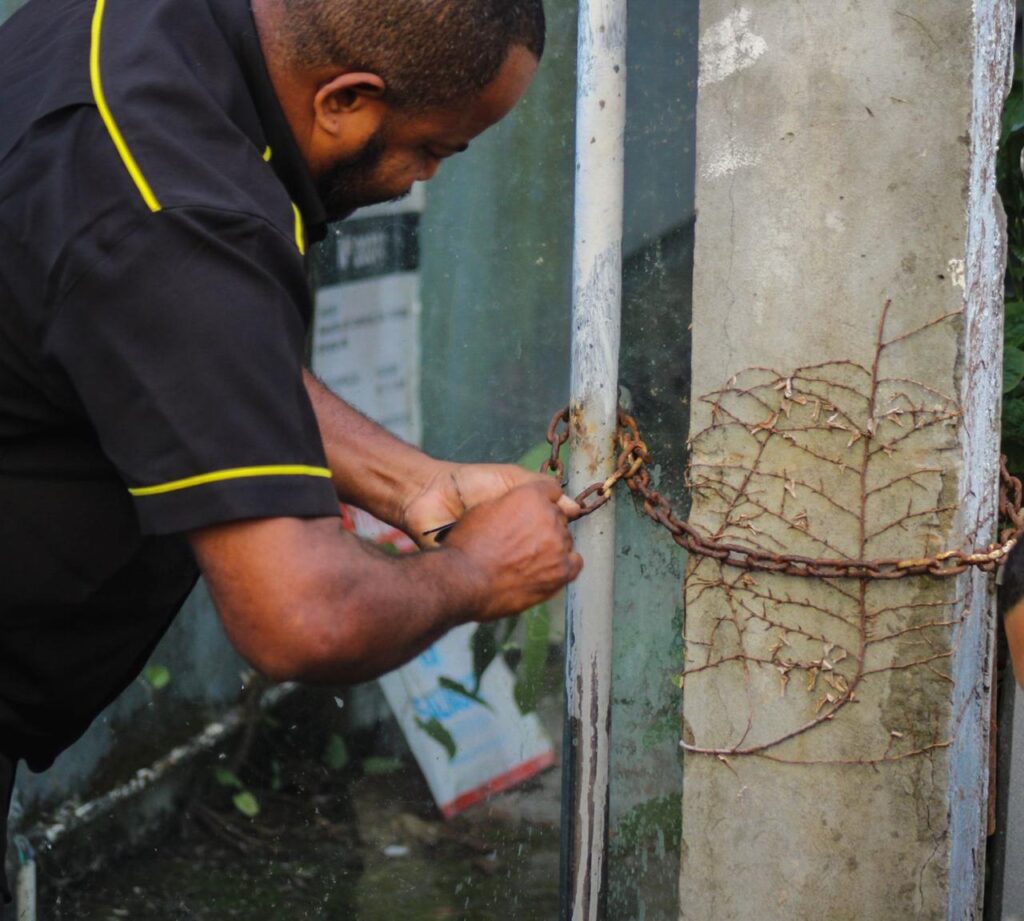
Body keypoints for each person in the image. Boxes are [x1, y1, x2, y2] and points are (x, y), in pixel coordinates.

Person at [0, 0, 583, 901]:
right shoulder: (182, 207)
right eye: (432, 148)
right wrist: (477, 572)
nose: (421, 179)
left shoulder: (156, 35)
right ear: (346, 99)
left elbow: (199, 349)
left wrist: (418, 483)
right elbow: (301, 613)